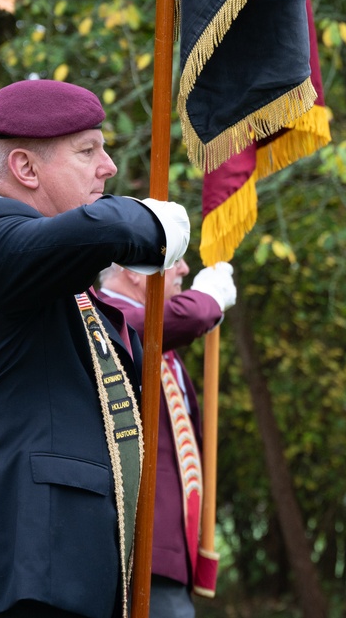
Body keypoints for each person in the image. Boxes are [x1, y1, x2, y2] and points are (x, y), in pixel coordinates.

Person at [0, 79, 191, 618]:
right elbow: (92, 233)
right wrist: (148, 222)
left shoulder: (53, 281)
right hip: (21, 561)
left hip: (66, 563)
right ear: (26, 169)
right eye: (87, 151)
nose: (109, 167)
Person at [95, 258, 235, 617]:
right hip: (136, 549)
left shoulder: (151, 330)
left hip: (166, 554)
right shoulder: (108, 319)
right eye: (174, 260)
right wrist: (209, 300)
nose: (185, 270)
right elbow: (186, 318)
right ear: (133, 271)